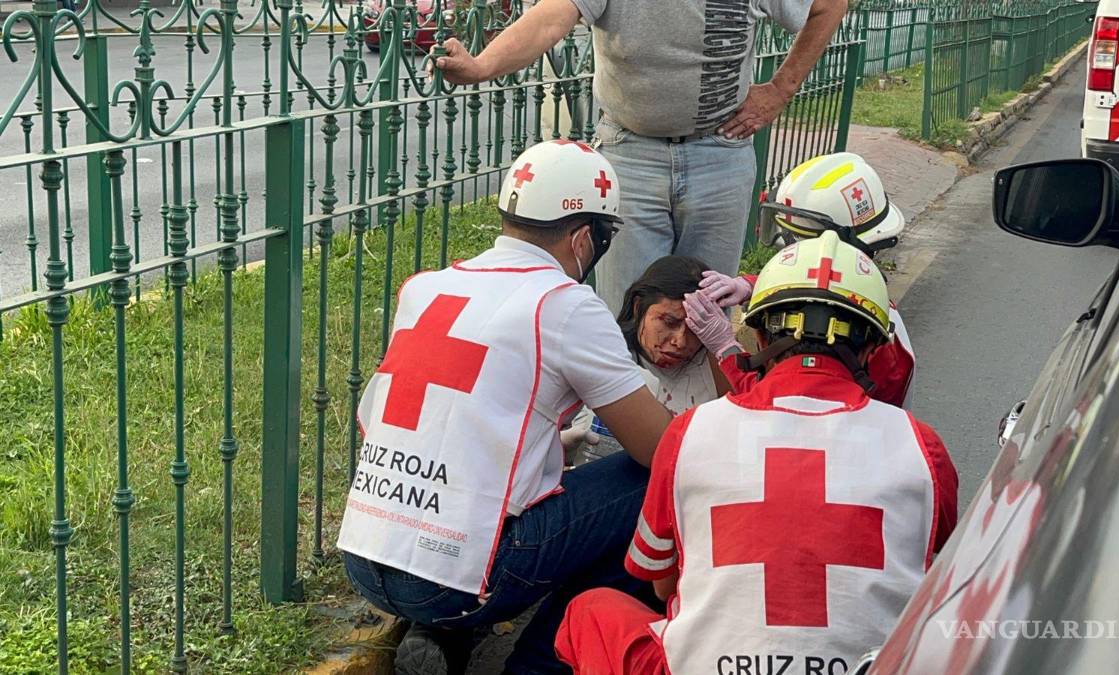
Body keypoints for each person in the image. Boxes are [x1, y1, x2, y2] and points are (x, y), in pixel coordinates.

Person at [337, 140, 674, 675]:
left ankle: (443, 638)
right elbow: (663, 450)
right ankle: (540, 663)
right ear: (585, 237)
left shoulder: (426, 288)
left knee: (508, 493)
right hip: (451, 580)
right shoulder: (563, 304)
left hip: (365, 556)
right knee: (650, 487)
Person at [554, 231, 959, 675]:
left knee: (589, 611)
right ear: (871, 348)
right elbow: (931, 571)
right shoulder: (923, 449)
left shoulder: (691, 434)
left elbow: (663, 583)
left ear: (761, 334)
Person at [430, 0, 850, 312]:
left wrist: (781, 89)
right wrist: (482, 66)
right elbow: (551, 17)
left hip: (720, 152)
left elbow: (829, 5)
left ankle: (695, 426)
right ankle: (624, 427)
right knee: (628, 312)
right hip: (630, 152)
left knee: (708, 310)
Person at [691, 152, 917, 408]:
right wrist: (753, 286)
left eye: (795, 238)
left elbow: (780, 405)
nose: (786, 247)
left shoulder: (879, 353)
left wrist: (727, 351)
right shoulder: (869, 313)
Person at [570, 256, 735, 462]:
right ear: (638, 307)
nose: (680, 341)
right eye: (668, 322)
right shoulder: (605, 358)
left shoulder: (715, 362)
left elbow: (752, 427)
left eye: (696, 329)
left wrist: (725, 349)